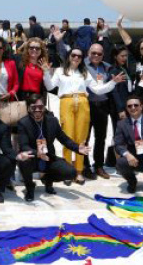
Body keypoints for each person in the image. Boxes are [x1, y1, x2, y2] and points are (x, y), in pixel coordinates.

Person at [45, 47, 109, 185]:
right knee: (67, 136)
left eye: (79, 56)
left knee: (81, 138)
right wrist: (45, 72)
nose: (76, 58)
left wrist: (113, 82)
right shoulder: (60, 71)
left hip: (83, 102)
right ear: (69, 56)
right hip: (66, 101)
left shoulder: (84, 72)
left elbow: (97, 89)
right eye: (73, 55)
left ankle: (79, 171)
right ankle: (68, 171)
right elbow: (50, 87)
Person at [16, 94, 89, 202]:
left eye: (40, 107)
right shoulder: (23, 123)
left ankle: (48, 179)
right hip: (32, 157)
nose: (37, 110)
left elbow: (64, 139)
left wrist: (77, 148)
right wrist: (37, 153)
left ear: (44, 107)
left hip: (48, 158)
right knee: (24, 161)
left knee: (71, 172)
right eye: (33, 107)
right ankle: (30, 186)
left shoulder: (52, 121)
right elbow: (24, 145)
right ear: (28, 108)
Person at [85, 42, 121, 179]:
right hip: (87, 105)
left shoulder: (107, 67)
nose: (96, 55)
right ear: (89, 53)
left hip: (102, 106)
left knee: (101, 138)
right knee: (85, 138)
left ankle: (99, 165)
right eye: (93, 53)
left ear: (103, 55)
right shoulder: (82, 65)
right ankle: (85, 166)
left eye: (99, 53)